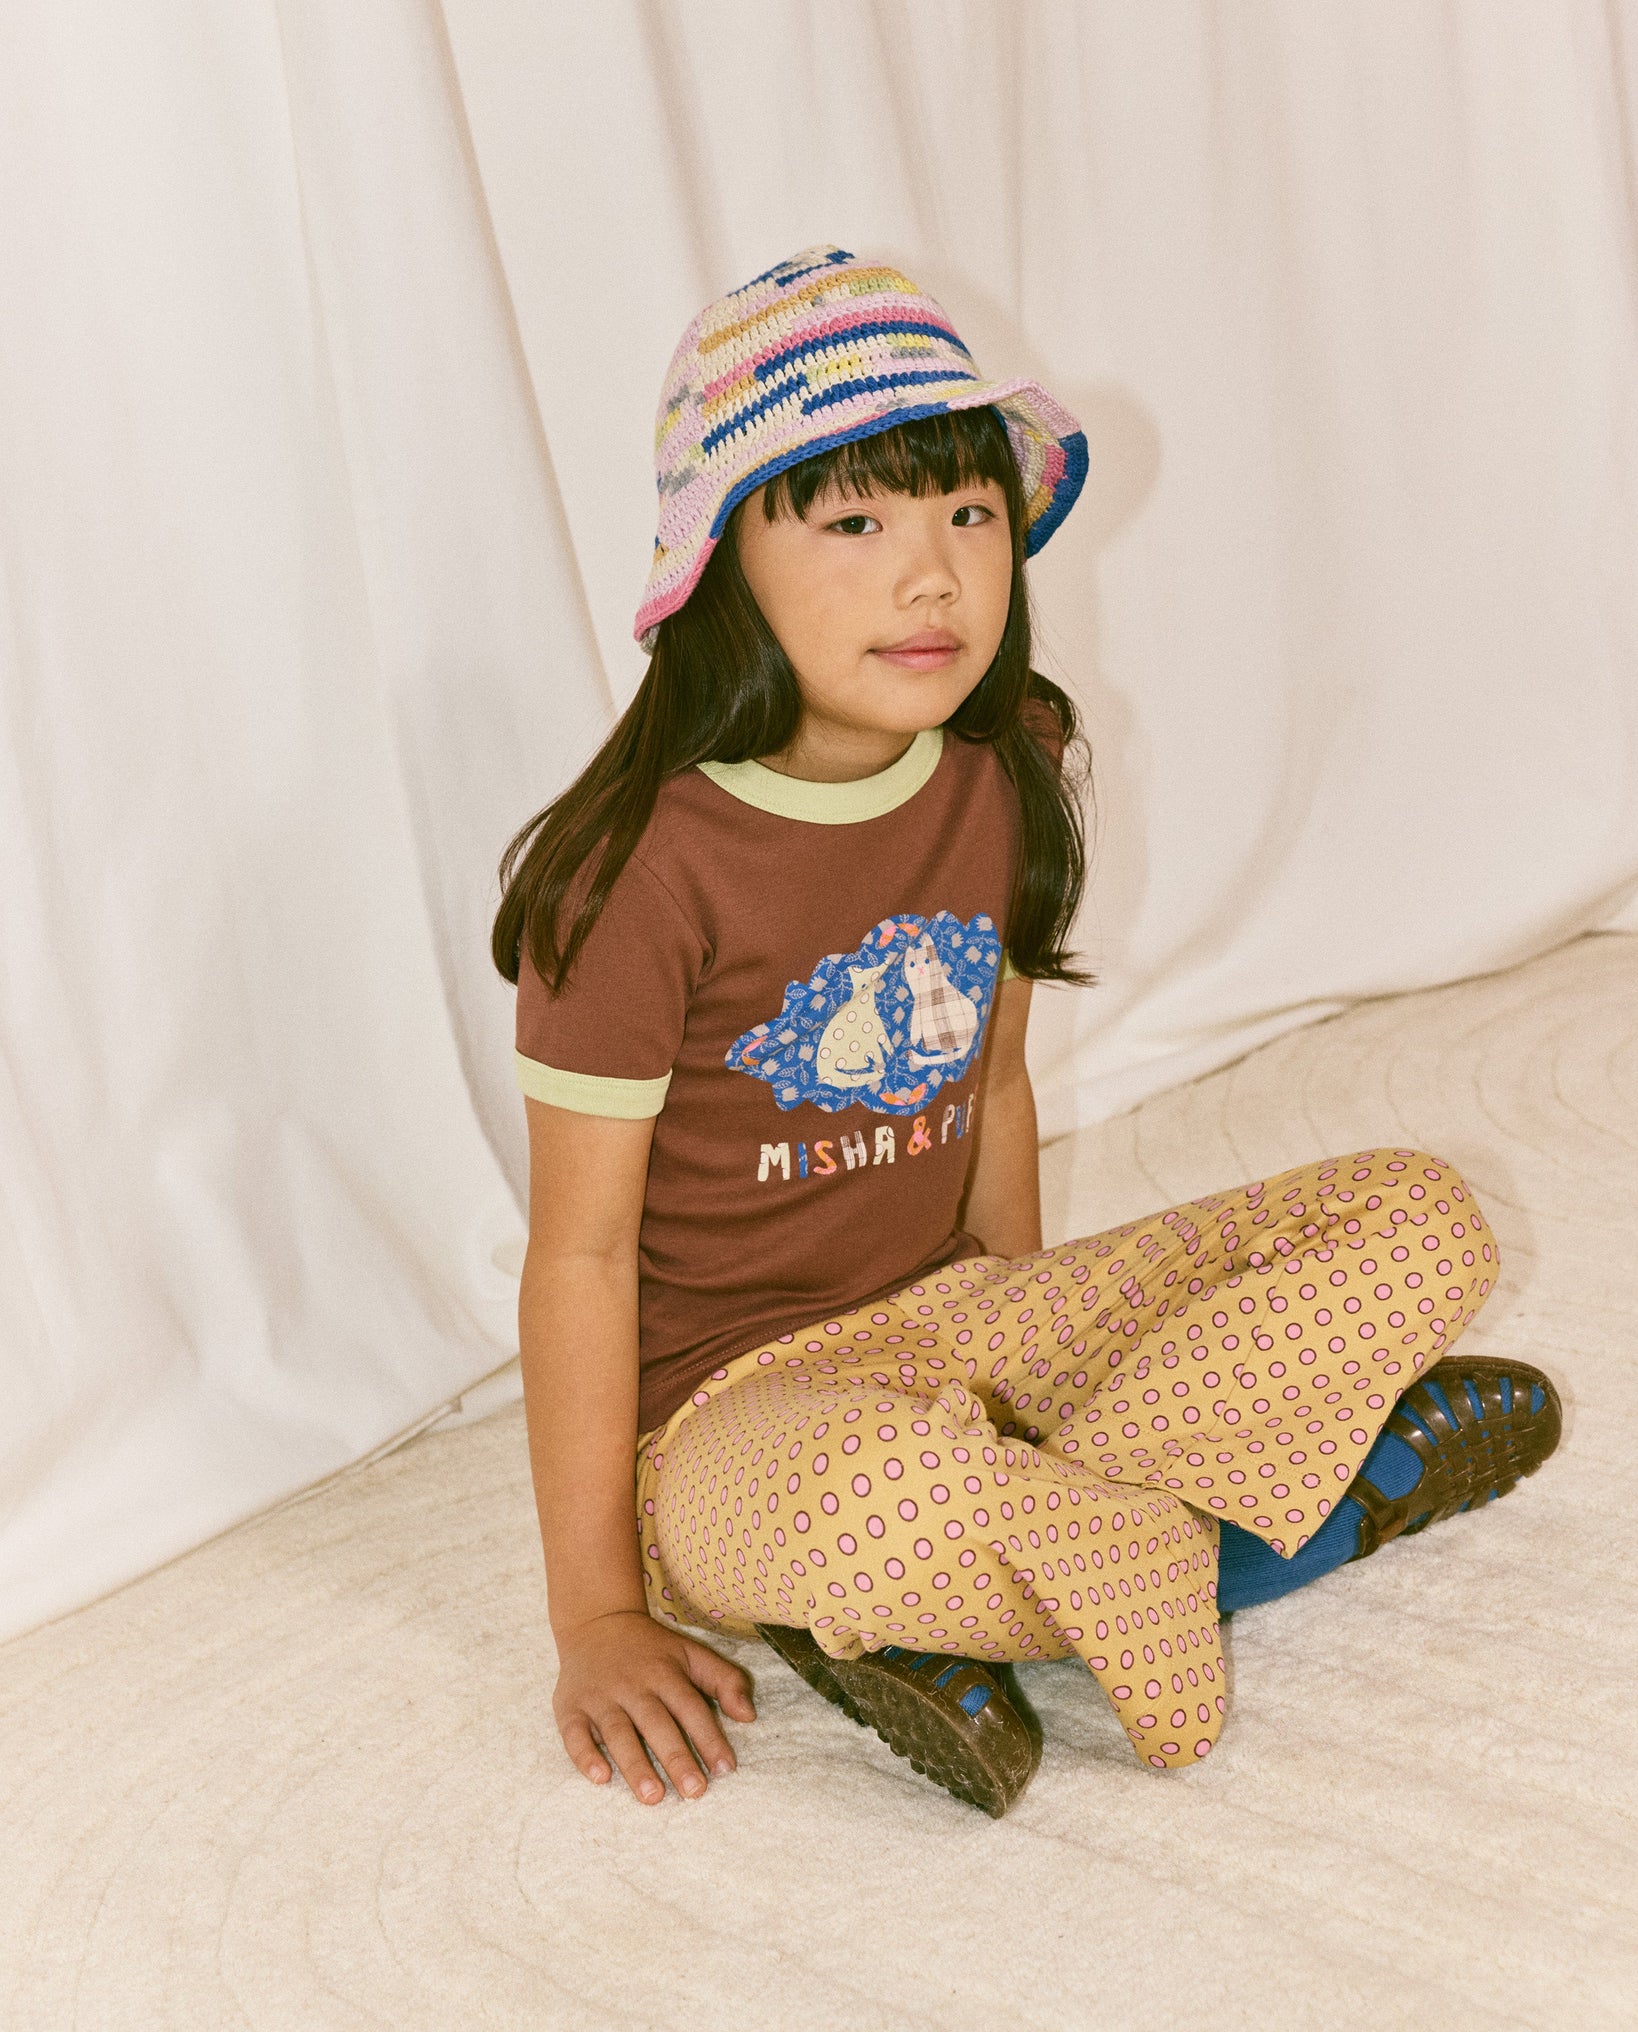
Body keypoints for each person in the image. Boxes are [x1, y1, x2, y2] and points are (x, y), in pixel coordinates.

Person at [492, 245, 1561, 1817]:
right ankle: (1262, 1522)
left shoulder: (1005, 761)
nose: (933, 576)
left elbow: (989, 1085)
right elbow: (578, 1261)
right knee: (879, 1505)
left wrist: (1031, 1342)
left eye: (968, 514)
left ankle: (997, 1591)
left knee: (1414, 1219)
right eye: (855, 522)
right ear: (720, 564)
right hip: (726, 1421)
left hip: (953, 1324)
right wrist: (592, 1614)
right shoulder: (636, 877)